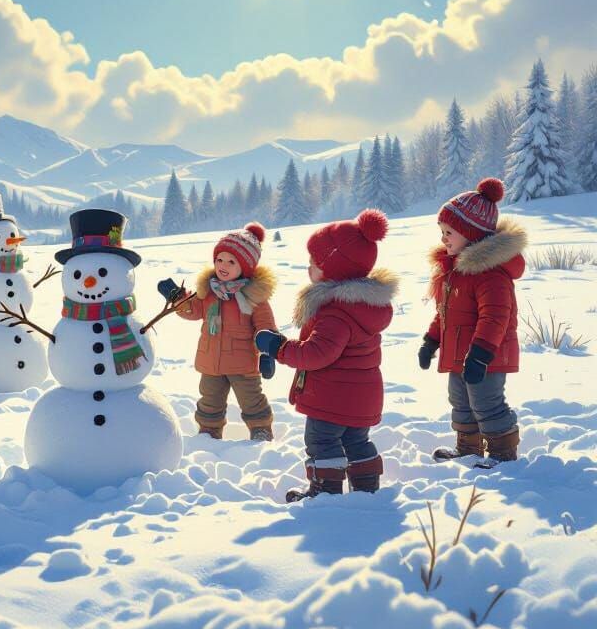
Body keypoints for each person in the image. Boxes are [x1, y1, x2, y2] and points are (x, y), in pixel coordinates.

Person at [256, 209, 396, 500]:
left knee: (321, 441)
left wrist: (280, 348)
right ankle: (367, 487)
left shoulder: (336, 312)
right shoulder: (361, 307)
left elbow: (317, 353)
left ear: (334, 268)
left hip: (334, 397)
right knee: (356, 441)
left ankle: (326, 491)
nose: (308, 268)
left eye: (314, 262)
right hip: (361, 397)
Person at [419, 178, 525, 463]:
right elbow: (445, 312)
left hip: (484, 355)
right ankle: (468, 450)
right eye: (441, 231)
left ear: (472, 234)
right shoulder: (454, 272)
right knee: (461, 401)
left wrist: (480, 353)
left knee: (487, 403)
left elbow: (496, 317)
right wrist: (431, 340)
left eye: (449, 232)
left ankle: (503, 453)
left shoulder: (491, 274)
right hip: (459, 354)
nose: (443, 238)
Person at [165, 223, 278, 441]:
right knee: (209, 399)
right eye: (219, 260)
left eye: (231, 261)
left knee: (251, 399)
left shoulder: (254, 297)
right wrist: (178, 298)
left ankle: (261, 428)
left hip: (243, 363)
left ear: (245, 268)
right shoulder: (207, 292)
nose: (223, 265)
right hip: (210, 361)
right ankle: (209, 431)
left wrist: (268, 353)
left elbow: (266, 326)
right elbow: (193, 310)